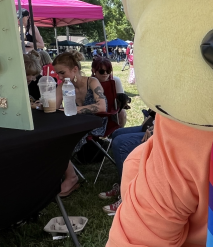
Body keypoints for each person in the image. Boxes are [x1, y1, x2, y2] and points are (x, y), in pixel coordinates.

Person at [52, 51, 107, 197]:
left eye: (62, 73)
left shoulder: (92, 82)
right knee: (53, 137)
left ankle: (71, 177)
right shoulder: (63, 86)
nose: (60, 77)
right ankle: (66, 174)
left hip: (96, 123)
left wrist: (73, 110)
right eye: (58, 73)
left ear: (75, 69)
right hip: (75, 123)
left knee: (61, 141)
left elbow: (102, 107)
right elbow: (55, 109)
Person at [99, 110, 155, 215]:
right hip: (156, 124)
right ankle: (123, 185)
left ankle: (128, 197)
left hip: (167, 132)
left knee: (120, 143)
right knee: (117, 133)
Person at [91, 56, 128, 127]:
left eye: (108, 71)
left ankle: (119, 131)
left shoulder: (115, 80)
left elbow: (121, 100)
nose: (105, 73)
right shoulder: (88, 82)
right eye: (101, 71)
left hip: (112, 110)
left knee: (122, 112)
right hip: (94, 112)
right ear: (93, 70)